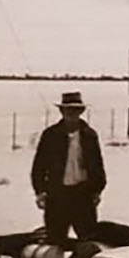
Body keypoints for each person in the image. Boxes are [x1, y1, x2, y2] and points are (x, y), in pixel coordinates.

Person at [31, 91, 107, 245]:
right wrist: (39, 192)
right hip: (57, 195)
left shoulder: (90, 136)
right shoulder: (50, 135)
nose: (71, 113)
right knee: (55, 240)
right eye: (68, 110)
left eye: (75, 110)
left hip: (83, 195)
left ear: (81, 111)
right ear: (61, 111)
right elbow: (38, 168)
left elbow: (98, 167)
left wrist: (97, 191)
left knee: (88, 240)